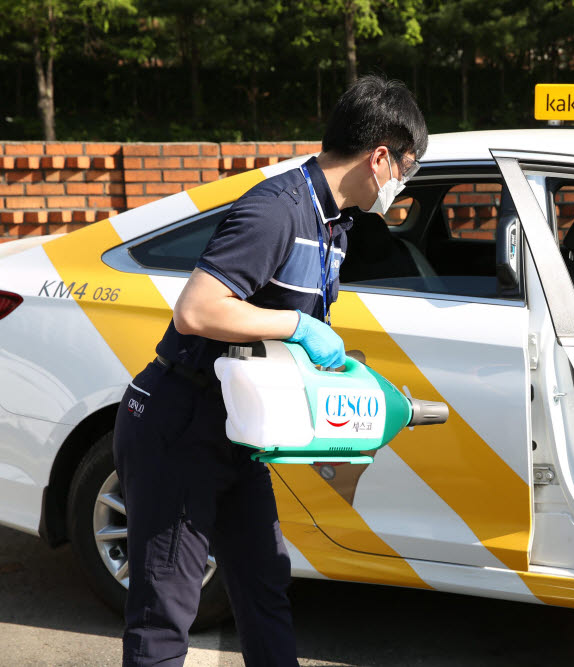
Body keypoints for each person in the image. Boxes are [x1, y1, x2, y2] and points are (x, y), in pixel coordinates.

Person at [112, 74, 427, 667]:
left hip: (238, 428)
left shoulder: (333, 223)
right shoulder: (276, 211)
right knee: (165, 615)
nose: (401, 186)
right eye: (405, 169)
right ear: (379, 157)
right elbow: (198, 310)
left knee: (265, 589)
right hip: (181, 425)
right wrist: (297, 327)